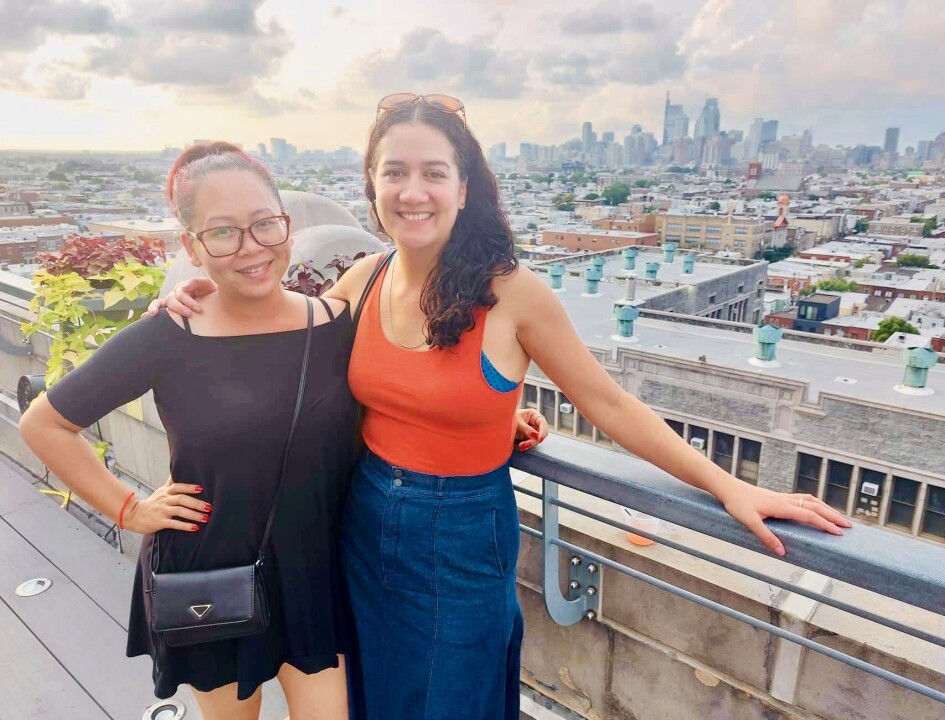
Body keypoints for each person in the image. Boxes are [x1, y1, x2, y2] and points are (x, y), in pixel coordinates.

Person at [157, 94, 851, 720]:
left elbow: (608, 402)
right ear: (371, 185)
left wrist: (730, 487)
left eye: (433, 172)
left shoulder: (512, 293)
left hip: (459, 529)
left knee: (449, 697)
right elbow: (284, 357)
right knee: (374, 691)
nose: (413, 190)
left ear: (465, 187)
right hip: (362, 516)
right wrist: (193, 301)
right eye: (394, 171)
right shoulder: (361, 280)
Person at [20, 142, 360, 720]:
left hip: (315, 572)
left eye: (264, 225)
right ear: (192, 247)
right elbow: (44, 423)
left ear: (288, 227)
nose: (250, 247)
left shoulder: (336, 326)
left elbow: (416, 379)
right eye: (223, 232)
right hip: (210, 573)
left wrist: (504, 416)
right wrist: (129, 509)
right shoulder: (172, 334)